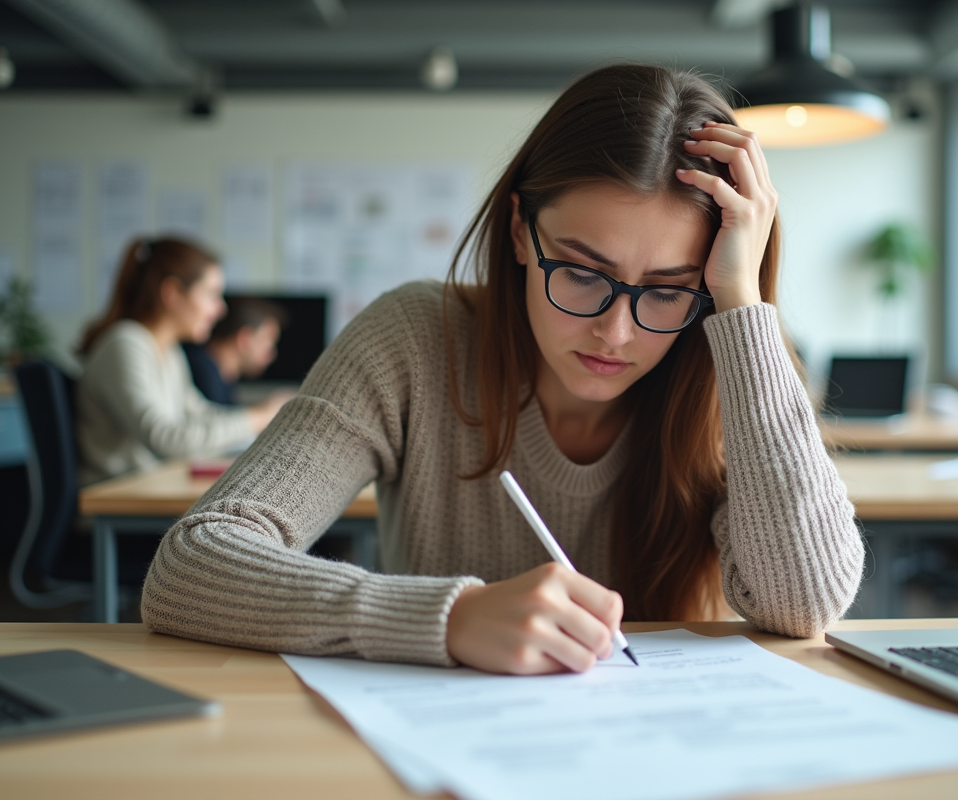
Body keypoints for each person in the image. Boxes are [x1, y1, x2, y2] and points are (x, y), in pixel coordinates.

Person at [141, 65, 865, 674]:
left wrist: (739, 306)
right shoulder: (414, 339)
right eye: (582, 272)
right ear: (521, 230)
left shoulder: (733, 362)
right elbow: (194, 565)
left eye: (669, 290)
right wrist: (447, 617)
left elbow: (803, 604)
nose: (616, 331)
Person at [76, 238, 288, 484]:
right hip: (116, 500)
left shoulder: (170, 352)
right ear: (173, 293)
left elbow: (200, 415)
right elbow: (166, 440)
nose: (220, 310)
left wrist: (264, 416)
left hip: (150, 488)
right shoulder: (125, 344)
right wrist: (258, 417)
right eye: (211, 295)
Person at [183, 298, 290, 405]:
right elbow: (214, 420)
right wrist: (265, 412)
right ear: (245, 339)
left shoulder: (224, 380)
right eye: (268, 343)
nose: (272, 354)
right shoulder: (201, 373)